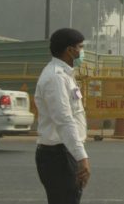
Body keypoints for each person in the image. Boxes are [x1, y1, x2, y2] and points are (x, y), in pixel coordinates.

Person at [35, 28, 90, 204]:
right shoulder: (55, 78)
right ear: (69, 50)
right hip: (57, 155)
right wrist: (82, 157)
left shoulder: (65, 75)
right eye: (80, 47)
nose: (82, 52)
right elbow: (65, 120)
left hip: (64, 152)